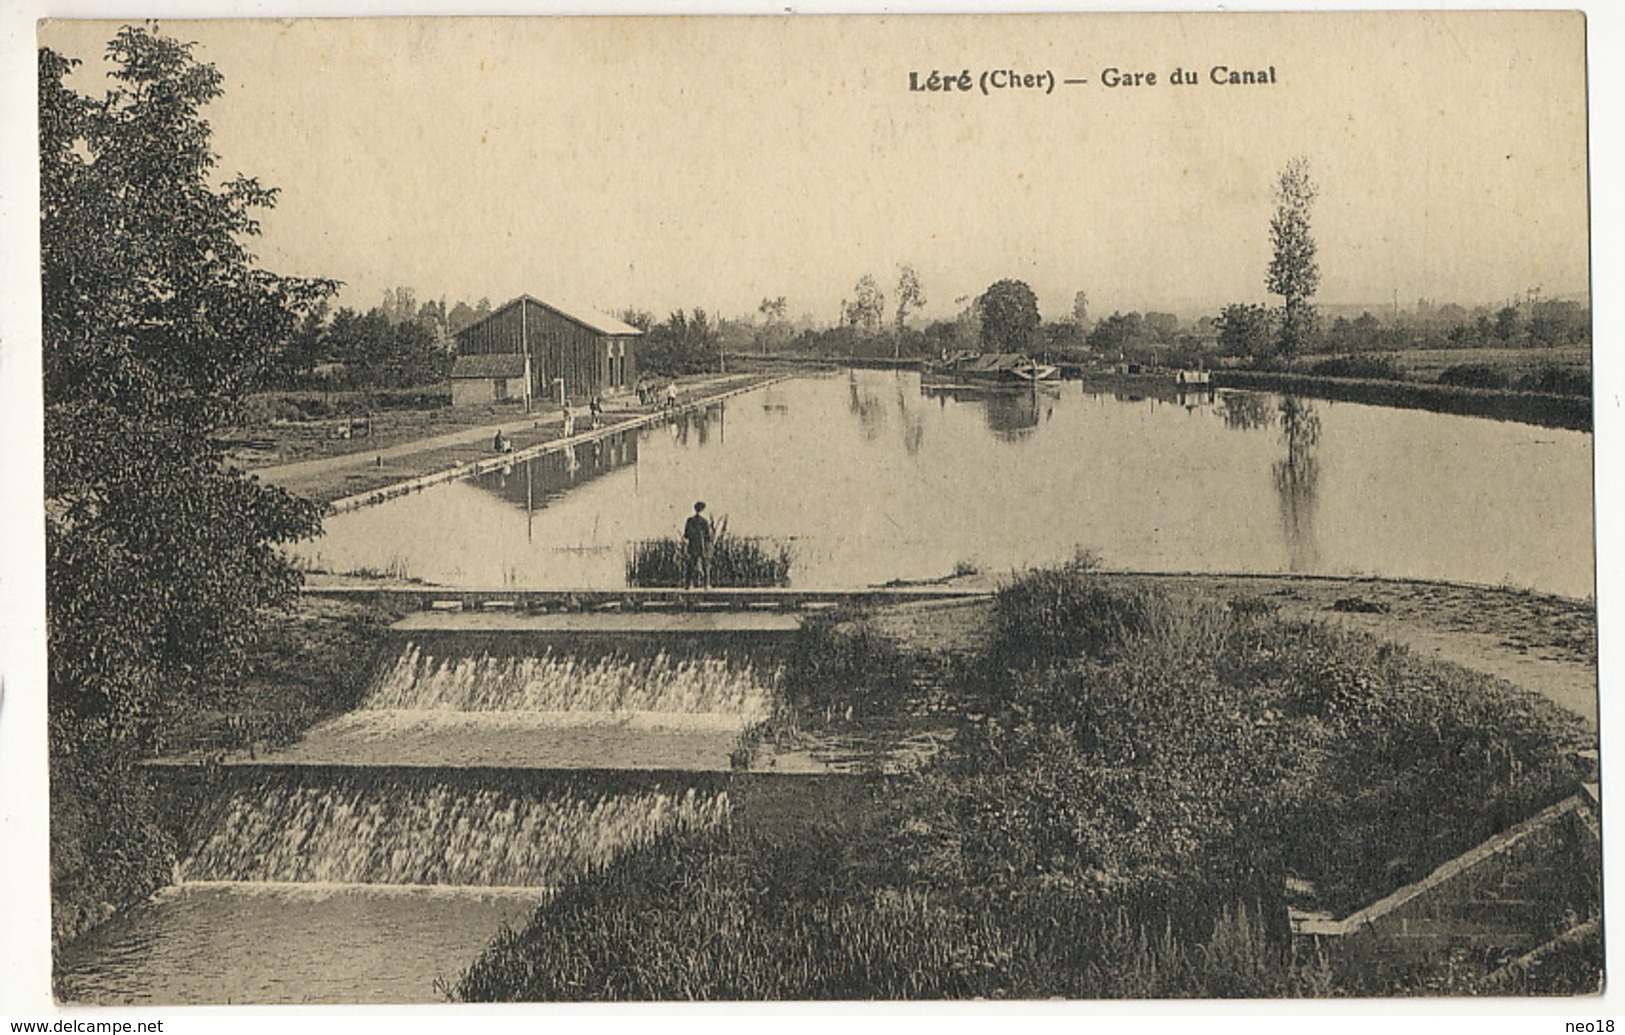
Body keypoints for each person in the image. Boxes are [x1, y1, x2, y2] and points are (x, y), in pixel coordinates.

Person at [683, 501, 714, 589]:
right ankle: (706, 584)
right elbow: (709, 536)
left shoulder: (690, 521)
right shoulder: (704, 521)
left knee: (691, 565)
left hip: (692, 546)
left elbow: (686, 535)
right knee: (705, 565)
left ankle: (688, 584)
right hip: (702, 546)